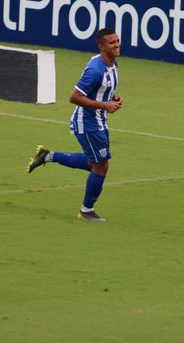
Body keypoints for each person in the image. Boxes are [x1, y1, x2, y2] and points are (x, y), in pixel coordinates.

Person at [27, 28, 123, 222]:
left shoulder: (111, 63)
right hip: (88, 124)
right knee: (101, 166)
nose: (117, 45)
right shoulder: (96, 70)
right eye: (112, 43)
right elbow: (74, 97)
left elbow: (99, 89)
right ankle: (86, 210)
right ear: (101, 46)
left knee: (93, 163)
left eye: (118, 41)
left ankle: (47, 156)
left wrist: (111, 96)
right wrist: (105, 104)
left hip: (98, 120)